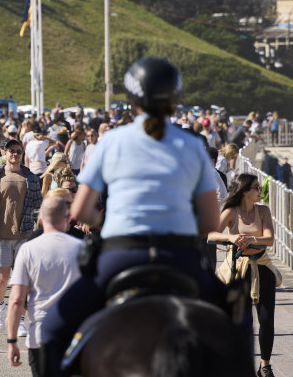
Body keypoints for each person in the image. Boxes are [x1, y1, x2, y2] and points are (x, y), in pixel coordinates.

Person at [41, 57, 222, 376]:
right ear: (174, 100)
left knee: (52, 329)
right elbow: (210, 222)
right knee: (237, 319)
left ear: (132, 99)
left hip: (121, 255)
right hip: (180, 258)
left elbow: (80, 211)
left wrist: (104, 225)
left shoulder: (111, 141)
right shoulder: (193, 145)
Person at [209, 174, 280, 377]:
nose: (260, 191)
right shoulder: (231, 211)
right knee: (240, 319)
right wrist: (230, 237)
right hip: (237, 268)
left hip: (262, 267)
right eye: (256, 188)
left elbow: (269, 239)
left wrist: (250, 238)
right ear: (244, 192)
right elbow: (212, 233)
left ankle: (265, 365)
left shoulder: (263, 210)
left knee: (266, 319)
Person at [6, 196, 82, 376]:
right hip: (75, 336)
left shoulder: (28, 249)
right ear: (67, 219)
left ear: (40, 219)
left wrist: (12, 341)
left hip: (40, 336)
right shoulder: (80, 247)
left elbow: (16, 300)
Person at [0, 139, 42, 331]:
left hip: (25, 235)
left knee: (24, 281)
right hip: (0, 235)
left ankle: (19, 320)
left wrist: (40, 233)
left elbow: (39, 207)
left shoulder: (30, 177)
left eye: (18, 151)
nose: (15, 154)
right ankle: (0, 306)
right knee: (1, 280)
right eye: (11, 151)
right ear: (4, 153)